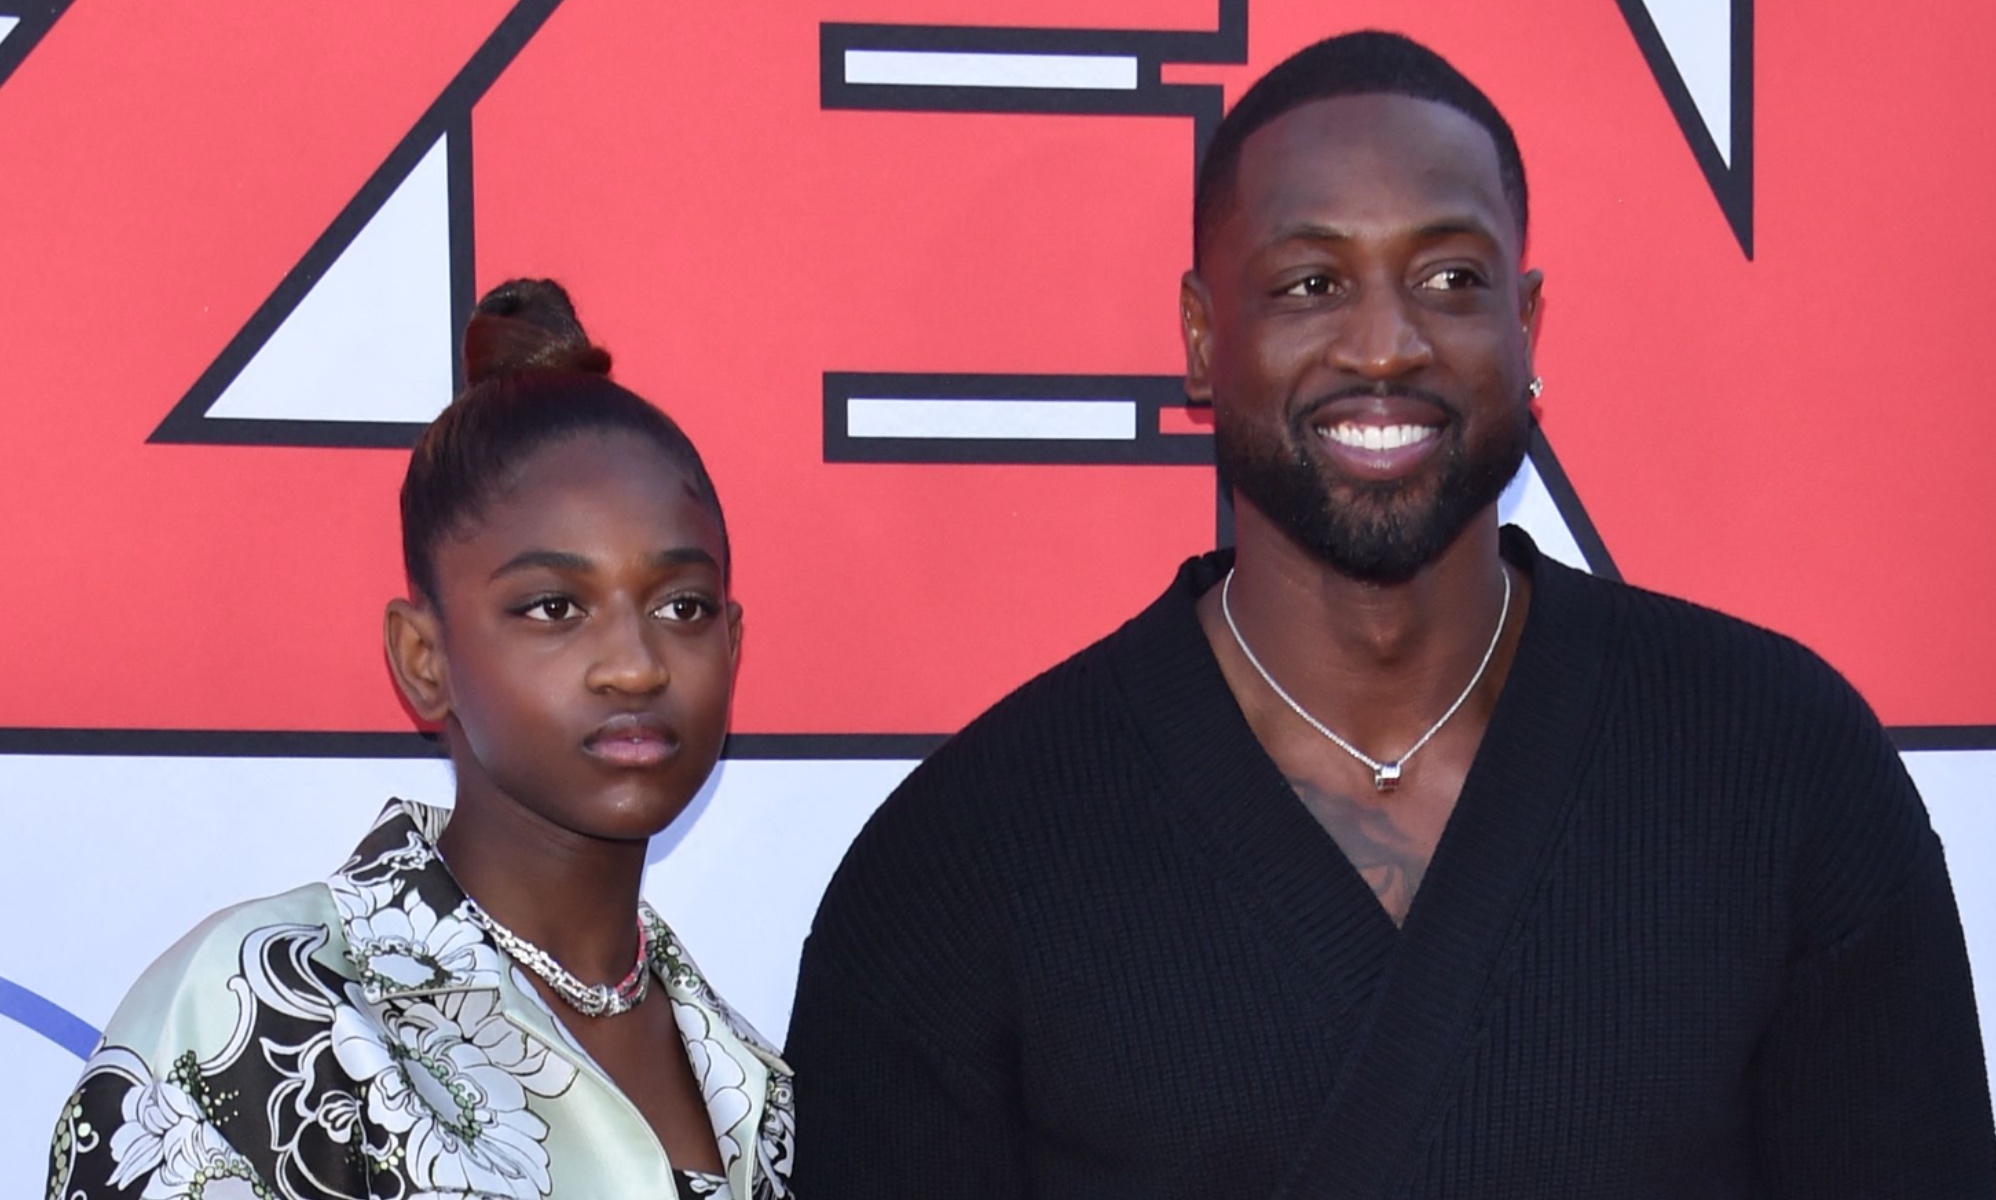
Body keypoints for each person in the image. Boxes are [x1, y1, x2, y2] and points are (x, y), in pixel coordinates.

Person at [784, 31, 1995, 1198]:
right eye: (1312, 282)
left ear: (1527, 325)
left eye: (1450, 279)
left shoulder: (1782, 768)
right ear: (1205, 339)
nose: (1385, 345)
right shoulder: (964, 863)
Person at [46, 280, 794, 1200]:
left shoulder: (768, 1095)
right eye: (554, 608)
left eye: (681, 606)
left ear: (733, 643)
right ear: (423, 658)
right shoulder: (260, 1014)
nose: (634, 667)